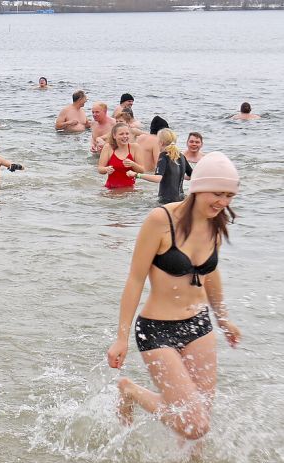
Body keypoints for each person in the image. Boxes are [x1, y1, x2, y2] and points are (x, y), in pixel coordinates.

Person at [108, 152, 241, 443]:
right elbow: (134, 279)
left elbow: (209, 273)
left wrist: (224, 319)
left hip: (198, 326)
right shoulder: (161, 220)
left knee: (200, 423)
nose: (223, 202)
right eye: (217, 193)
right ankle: (130, 390)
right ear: (197, 188)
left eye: (229, 195)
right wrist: (121, 338)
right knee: (195, 425)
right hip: (157, 330)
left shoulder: (215, 223)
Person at [128, 128, 193, 204]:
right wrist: (175, 175)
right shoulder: (181, 156)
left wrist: (137, 175)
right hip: (181, 199)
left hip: (166, 201)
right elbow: (192, 176)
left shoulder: (163, 155)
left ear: (161, 143)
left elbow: (158, 178)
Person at [98, 122, 146, 189]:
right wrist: (106, 169)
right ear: (114, 136)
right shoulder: (108, 147)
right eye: (121, 134)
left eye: (127, 133)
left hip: (129, 189)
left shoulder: (135, 147)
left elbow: (142, 170)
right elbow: (100, 169)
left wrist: (133, 164)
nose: (125, 136)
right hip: (111, 188)